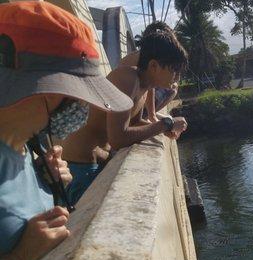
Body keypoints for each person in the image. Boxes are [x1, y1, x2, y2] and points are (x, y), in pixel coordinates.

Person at [0, 1, 133, 260]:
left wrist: (46, 183)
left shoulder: (26, 146)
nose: (80, 106)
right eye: (74, 94)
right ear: (37, 89)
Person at [61, 28, 189, 204]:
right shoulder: (127, 79)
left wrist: (164, 129)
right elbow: (118, 138)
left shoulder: (145, 86)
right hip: (80, 166)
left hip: (97, 162)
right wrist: (165, 124)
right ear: (153, 66)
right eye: (174, 70)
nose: (177, 77)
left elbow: (135, 123)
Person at [119, 21, 179, 123]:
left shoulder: (139, 57)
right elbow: (121, 133)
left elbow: (149, 86)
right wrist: (156, 120)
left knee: (169, 85)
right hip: (123, 111)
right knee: (172, 89)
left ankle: (149, 114)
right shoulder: (138, 65)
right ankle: (148, 115)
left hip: (126, 107)